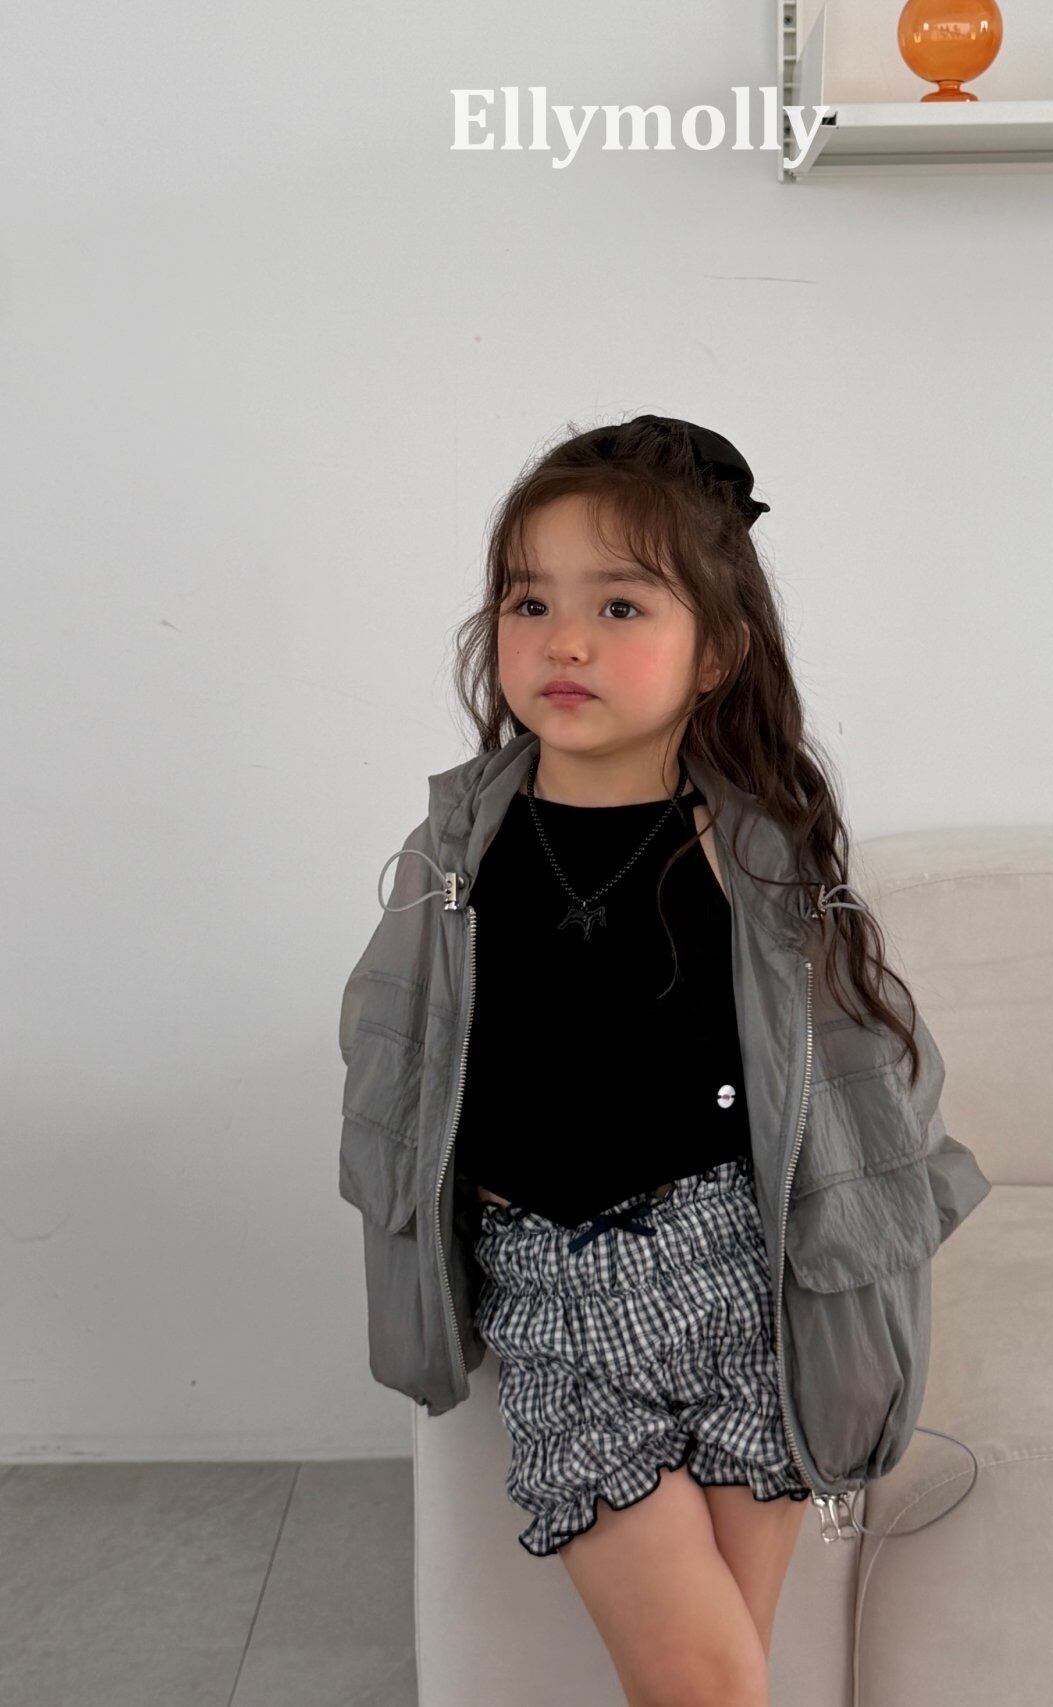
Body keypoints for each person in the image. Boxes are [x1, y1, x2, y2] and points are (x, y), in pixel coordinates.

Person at [339, 412, 990, 1704]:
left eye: (622, 606)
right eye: (530, 601)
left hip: (745, 1286)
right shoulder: (459, 852)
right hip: (560, 1290)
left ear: (717, 653)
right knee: (706, 1681)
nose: (565, 641)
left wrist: (862, 1291)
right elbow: (396, 1062)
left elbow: (856, 1086)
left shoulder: (756, 857)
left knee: (713, 1682)